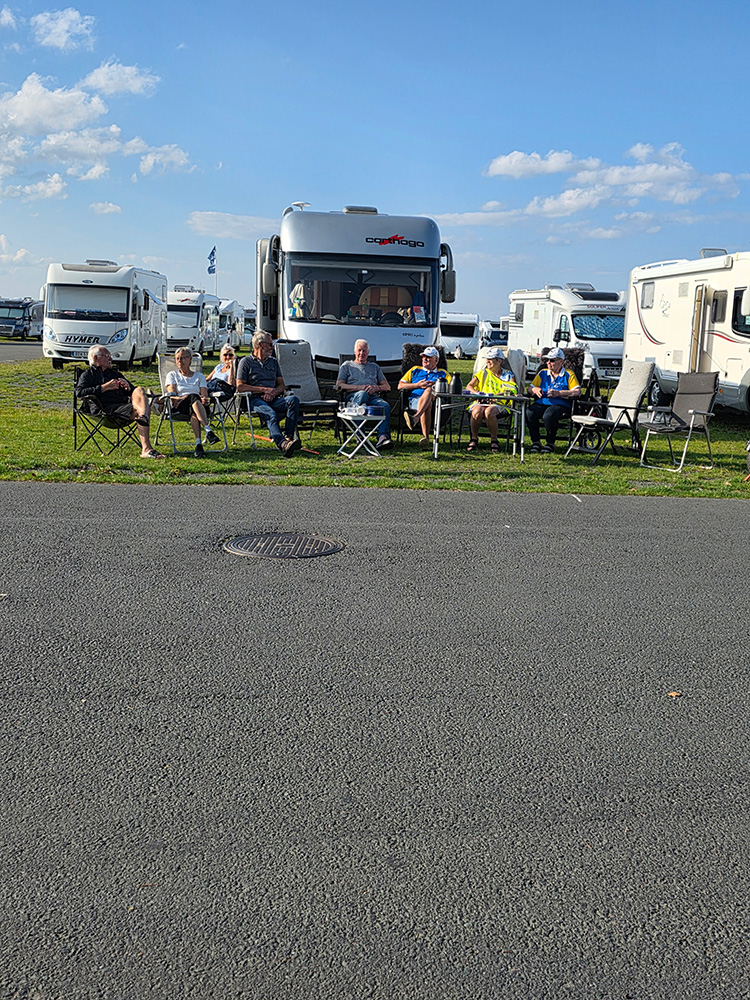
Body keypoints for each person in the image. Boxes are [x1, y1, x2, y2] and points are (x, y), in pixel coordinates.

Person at [75, 345, 165, 459]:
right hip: (105, 409)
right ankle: (146, 448)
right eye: (107, 356)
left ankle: (143, 417)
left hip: (123, 406)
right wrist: (103, 387)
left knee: (139, 390)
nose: (111, 359)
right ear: (96, 358)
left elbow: (134, 393)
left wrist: (128, 388)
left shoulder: (114, 373)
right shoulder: (88, 374)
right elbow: (79, 392)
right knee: (141, 409)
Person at [236, 332, 301, 457]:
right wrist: (264, 390)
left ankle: (288, 438)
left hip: (273, 398)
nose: (272, 347)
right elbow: (240, 387)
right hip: (254, 400)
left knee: (293, 400)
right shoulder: (246, 362)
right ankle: (282, 444)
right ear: (260, 345)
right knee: (271, 414)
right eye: (270, 344)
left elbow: (281, 385)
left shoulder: (273, 362)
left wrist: (273, 392)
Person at [336, 339, 393, 450]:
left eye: (364, 351)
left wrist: (375, 388)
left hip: (372, 397)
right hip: (353, 398)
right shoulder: (347, 366)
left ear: (368, 352)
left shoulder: (375, 367)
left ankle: (382, 438)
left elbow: (387, 387)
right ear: (354, 351)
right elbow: (339, 385)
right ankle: (360, 435)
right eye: (359, 350)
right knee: (362, 394)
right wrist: (359, 388)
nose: (361, 353)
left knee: (385, 406)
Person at [164, 347, 220, 458]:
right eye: (177, 358)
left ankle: (199, 445)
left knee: (195, 410)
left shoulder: (199, 376)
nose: (179, 361)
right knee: (193, 397)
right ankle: (208, 430)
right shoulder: (172, 375)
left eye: (183, 358)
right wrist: (187, 397)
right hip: (180, 405)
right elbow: (173, 396)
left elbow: (204, 395)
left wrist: (204, 399)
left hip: (198, 406)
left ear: (190, 359)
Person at [526, 347, 581, 453]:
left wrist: (559, 393)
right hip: (542, 402)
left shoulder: (568, 374)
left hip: (561, 403)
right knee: (530, 412)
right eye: (547, 360)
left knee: (549, 415)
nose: (548, 363)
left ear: (561, 362)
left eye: (552, 360)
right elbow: (529, 388)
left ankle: (550, 443)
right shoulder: (542, 373)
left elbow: (577, 392)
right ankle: (536, 442)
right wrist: (534, 389)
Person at [464, 347, 517, 453]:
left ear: (499, 361)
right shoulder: (482, 373)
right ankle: (474, 438)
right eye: (487, 359)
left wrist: (498, 395)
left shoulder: (508, 375)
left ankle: (494, 440)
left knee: (489, 412)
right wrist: (477, 394)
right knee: (477, 411)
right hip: (481, 401)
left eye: (490, 359)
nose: (487, 362)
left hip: (499, 402)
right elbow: (469, 386)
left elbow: (513, 390)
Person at [397, 345, 449, 449]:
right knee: (427, 405)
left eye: (428, 357)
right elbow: (400, 385)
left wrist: (436, 385)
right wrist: (417, 385)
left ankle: (415, 418)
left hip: (437, 401)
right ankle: (426, 439)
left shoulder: (442, 373)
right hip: (416, 400)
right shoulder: (415, 370)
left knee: (429, 390)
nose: (425, 359)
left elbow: (451, 387)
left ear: (436, 360)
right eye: (423, 357)